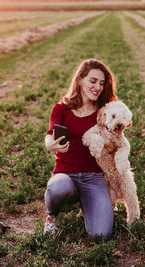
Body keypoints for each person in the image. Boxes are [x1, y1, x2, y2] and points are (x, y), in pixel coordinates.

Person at [44, 59, 118, 240]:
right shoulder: (61, 109)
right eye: (93, 81)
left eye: (101, 83)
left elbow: (116, 142)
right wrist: (49, 143)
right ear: (80, 80)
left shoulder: (104, 111)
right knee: (57, 187)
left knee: (101, 235)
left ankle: (88, 204)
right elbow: (51, 133)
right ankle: (51, 217)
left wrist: (110, 144)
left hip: (94, 177)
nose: (98, 87)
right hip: (66, 174)